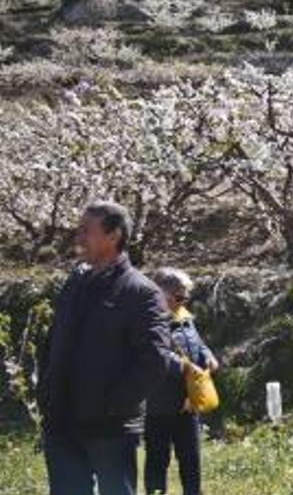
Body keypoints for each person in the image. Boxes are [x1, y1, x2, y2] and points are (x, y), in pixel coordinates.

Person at [37, 201, 188, 495]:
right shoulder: (75, 283)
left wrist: (114, 406)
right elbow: (53, 341)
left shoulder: (141, 293)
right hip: (62, 421)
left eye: (86, 231)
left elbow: (154, 360)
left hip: (109, 429)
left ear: (114, 234)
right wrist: (46, 389)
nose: (78, 238)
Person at [144, 268, 217, 495]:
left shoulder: (184, 316)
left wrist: (208, 356)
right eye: (179, 297)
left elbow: (197, 342)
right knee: (158, 459)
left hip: (189, 403)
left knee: (191, 460)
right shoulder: (148, 319)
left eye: (186, 296)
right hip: (160, 405)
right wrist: (186, 368)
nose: (183, 301)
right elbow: (157, 354)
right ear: (161, 294)